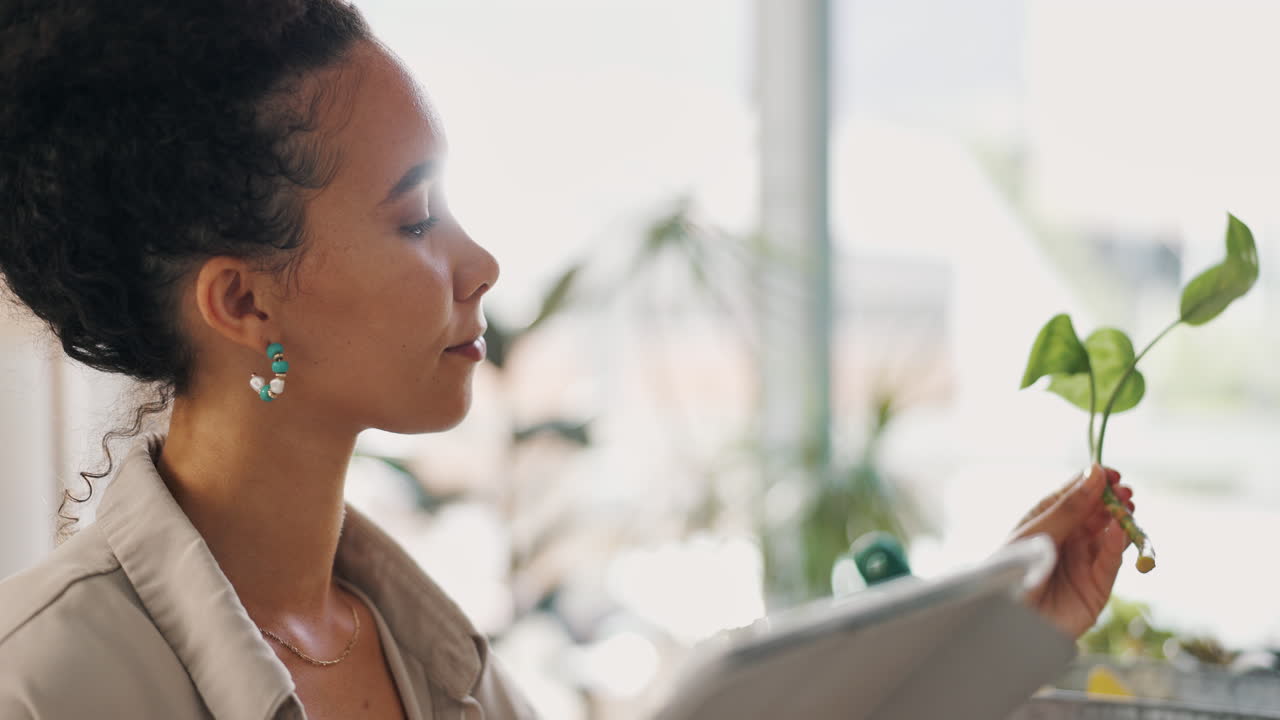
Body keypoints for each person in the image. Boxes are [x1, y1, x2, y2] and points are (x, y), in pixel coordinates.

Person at [0, 1, 1137, 718]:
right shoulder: (48, 683)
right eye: (413, 221)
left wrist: (995, 627)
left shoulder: (423, 651)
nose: (479, 261)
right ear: (243, 300)